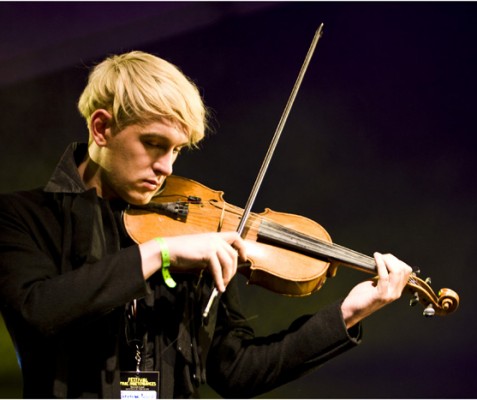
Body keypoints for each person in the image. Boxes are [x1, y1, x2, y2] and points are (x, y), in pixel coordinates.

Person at [0, 51, 412, 399]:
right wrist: (158, 254)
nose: (166, 167)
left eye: (176, 150)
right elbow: (37, 311)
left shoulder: (191, 229)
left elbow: (234, 372)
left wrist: (347, 314)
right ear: (102, 128)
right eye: (153, 144)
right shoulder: (23, 216)